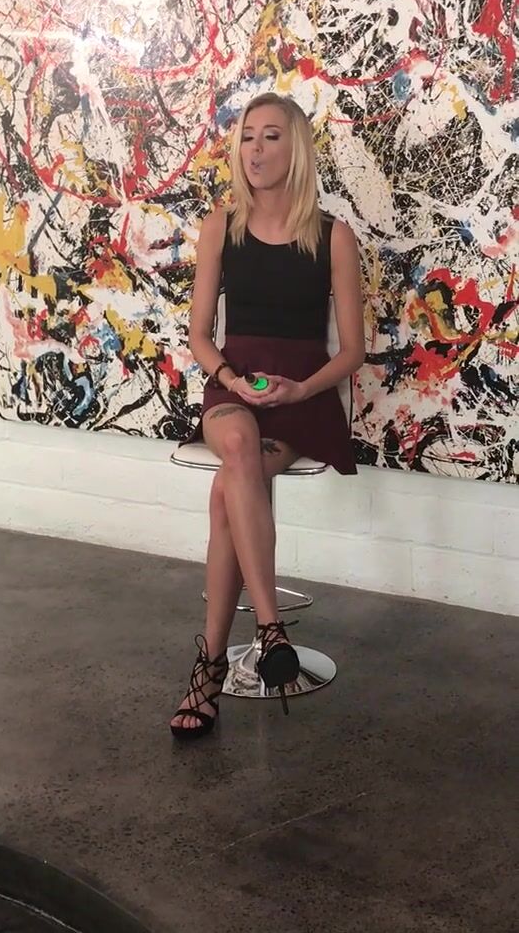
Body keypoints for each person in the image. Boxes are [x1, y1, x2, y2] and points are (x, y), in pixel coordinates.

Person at [170, 91, 365, 740]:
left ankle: (207, 670)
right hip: (233, 387)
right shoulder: (220, 226)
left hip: (300, 397)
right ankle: (270, 628)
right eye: (247, 136)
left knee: (227, 487)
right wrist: (230, 378)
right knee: (237, 445)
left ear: (296, 148)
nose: (255, 149)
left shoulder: (334, 236)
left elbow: (353, 351)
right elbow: (201, 336)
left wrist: (299, 389)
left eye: (271, 136)